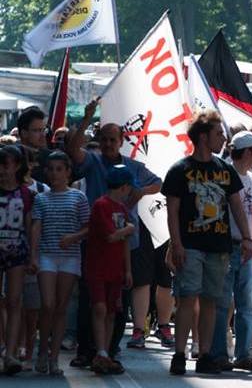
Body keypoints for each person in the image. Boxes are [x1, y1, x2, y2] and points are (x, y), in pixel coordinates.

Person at [67, 100, 163, 363]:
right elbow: (73, 149)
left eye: (113, 139)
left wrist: (141, 190)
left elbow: (158, 183)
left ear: (122, 141)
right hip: (95, 241)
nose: (108, 144)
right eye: (104, 139)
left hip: (124, 244)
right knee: (91, 298)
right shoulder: (93, 161)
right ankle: (86, 350)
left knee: (118, 302)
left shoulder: (133, 168)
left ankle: (110, 349)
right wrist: (86, 119)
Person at [163, 110, 252, 376]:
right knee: (187, 298)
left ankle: (205, 354)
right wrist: (176, 244)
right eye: (218, 133)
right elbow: (172, 212)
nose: (224, 138)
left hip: (218, 246)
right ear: (203, 137)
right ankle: (179, 354)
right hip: (189, 244)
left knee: (211, 300)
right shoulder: (180, 170)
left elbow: (237, 205)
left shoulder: (225, 170)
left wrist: (247, 238)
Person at [209, 131, 252, 372]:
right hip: (227, 245)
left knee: (247, 304)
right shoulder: (224, 175)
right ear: (248, 152)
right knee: (223, 302)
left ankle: (243, 354)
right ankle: (218, 353)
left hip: (248, 247)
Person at [31, 151, 90, 376]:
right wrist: (33, 256)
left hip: (70, 256)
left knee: (61, 307)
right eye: (51, 169)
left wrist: (73, 237)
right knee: (47, 304)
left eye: (59, 169)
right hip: (47, 254)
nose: (55, 174)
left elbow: (88, 226)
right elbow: (36, 227)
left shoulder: (78, 197)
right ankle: (42, 351)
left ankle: (54, 357)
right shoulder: (41, 197)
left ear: (67, 172)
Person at [86, 165, 136, 375]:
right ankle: (100, 351)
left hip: (115, 267)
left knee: (111, 311)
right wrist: (129, 228)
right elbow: (111, 235)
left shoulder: (122, 209)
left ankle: (105, 352)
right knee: (99, 308)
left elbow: (123, 242)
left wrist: (128, 270)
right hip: (98, 265)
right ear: (124, 187)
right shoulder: (102, 205)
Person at [0, 145, 32, 375]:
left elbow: (30, 227)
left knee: (14, 301)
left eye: (6, 165)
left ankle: (10, 353)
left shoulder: (26, 194)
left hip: (18, 252)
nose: (2, 170)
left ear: (17, 166)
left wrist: (33, 255)